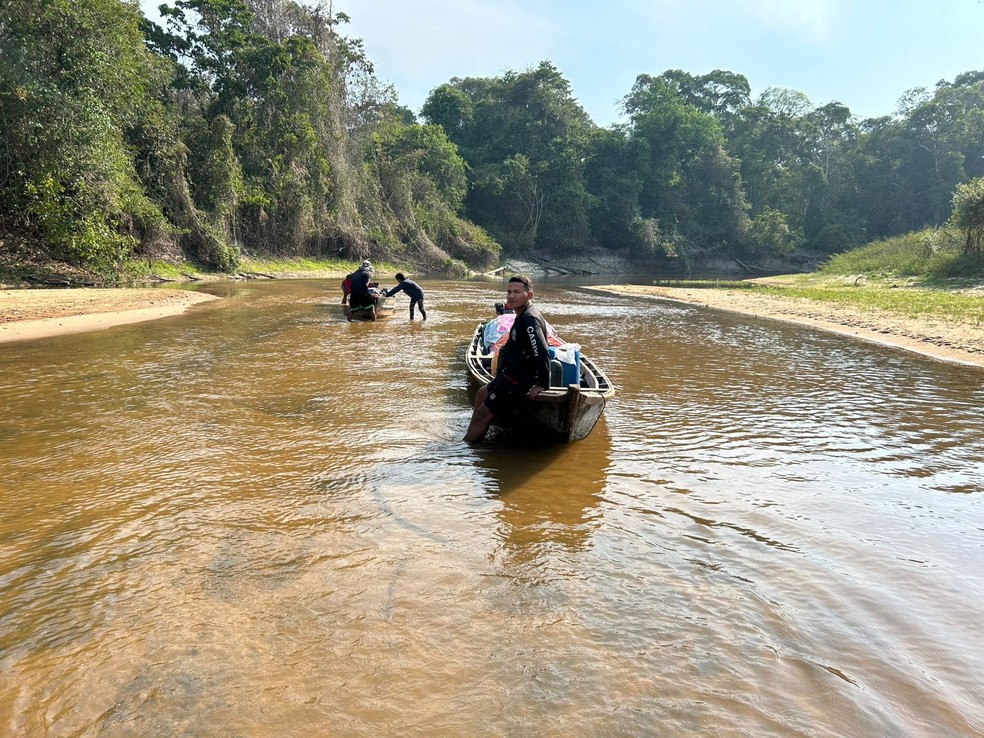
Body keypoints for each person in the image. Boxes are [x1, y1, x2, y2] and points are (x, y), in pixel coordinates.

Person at [463, 275, 551, 442]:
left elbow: (542, 350)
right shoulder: (521, 314)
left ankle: (467, 450)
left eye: (517, 292)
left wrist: (542, 384)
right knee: (481, 394)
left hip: (517, 380)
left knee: (483, 414)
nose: (511, 296)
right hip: (508, 375)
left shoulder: (529, 318)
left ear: (529, 295)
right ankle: (475, 430)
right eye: (509, 292)